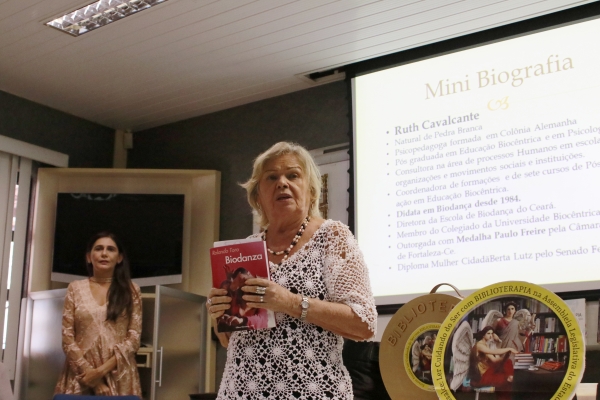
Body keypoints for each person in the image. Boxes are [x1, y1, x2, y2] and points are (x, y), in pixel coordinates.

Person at [207, 142, 377, 399]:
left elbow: (364, 323)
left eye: (293, 175)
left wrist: (290, 302)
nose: (282, 183)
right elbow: (229, 340)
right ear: (258, 196)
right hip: (241, 391)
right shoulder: (244, 250)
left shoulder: (332, 236)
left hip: (313, 391)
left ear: (309, 190)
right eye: (271, 177)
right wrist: (221, 315)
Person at [54, 232, 142, 397]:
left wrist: (100, 372)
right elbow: (67, 338)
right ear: (89, 257)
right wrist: (90, 376)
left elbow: (134, 339)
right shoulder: (75, 288)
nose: (104, 253)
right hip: (80, 376)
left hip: (118, 374)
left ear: (119, 258)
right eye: (99, 248)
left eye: (110, 249)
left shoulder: (131, 290)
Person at [469, 326, 518, 400]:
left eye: (492, 333)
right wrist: (509, 348)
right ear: (483, 334)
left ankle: (509, 377)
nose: (491, 335)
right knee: (504, 379)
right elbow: (494, 352)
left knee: (507, 365)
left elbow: (495, 360)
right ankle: (509, 377)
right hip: (481, 376)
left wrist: (505, 358)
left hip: (487, 373)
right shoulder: (479, 345)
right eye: (488, 333)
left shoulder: (485, 345)